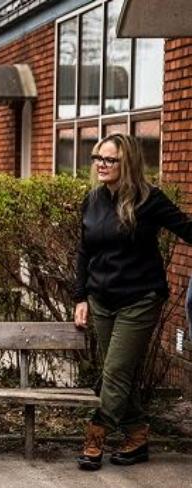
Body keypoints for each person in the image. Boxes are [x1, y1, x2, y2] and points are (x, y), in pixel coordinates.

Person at [74, 133, 192, 471]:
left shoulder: (149, 200)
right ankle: (137, 436)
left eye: (110, 160)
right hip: (102, 299)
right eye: (98, 158)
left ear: (127, 164)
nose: (102, 165)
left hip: (140, 299)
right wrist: (81, 296)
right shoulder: (93, 199)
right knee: (119, 374)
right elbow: (84, 252)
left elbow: (186, 229)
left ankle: (95, 436)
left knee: (114, 371)